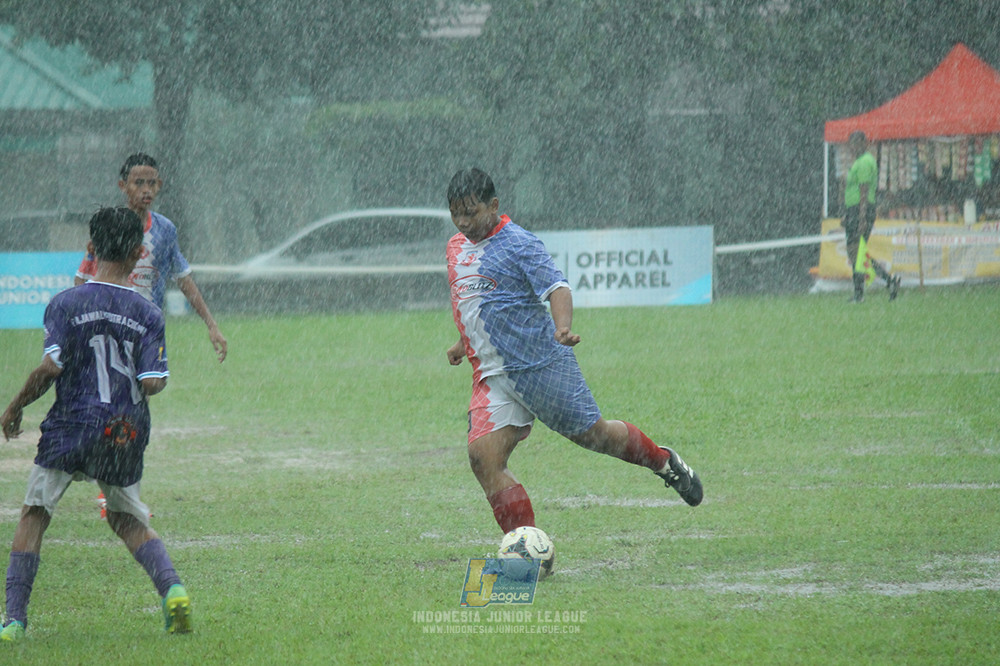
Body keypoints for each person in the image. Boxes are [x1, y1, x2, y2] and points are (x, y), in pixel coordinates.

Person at [445, 168, 703, 537]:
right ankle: (525, 549)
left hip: (540, 366)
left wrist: (562, 326)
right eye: (457, 214)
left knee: (596, 437)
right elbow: (472, 298)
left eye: (471, 212)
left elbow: (557, 288)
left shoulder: (519, 243)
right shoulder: (455, 247)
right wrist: (462, 339)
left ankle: (664, 462)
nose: (464, 222)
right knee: (483, 458)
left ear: (495, 205)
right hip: (491, 376)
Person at [1, 207, 192, 643]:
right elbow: (154, 383)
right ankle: (173, 589)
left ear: (90, 250)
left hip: (72, 424)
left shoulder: (66, 304)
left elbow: (51, 369)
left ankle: (14, 620)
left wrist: (14, 406)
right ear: (138, 252)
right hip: (123, 428)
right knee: (127, 519)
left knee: (35, 513)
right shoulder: (147, 313)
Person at [75, 153, 227, 362]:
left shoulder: (165, 230)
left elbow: (183, 279)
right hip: (109, 327)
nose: (146, 189)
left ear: (159, 185)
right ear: (123, 186)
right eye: (138, 183)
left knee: (150, 383)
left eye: (151, 183)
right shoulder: (109, 225)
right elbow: (82, 278)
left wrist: (211, 324)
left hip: (148, 326)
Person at [843, 131, 901, 303]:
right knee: (857, 252)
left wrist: (861, 217)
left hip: (861, 210)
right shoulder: (859, 162)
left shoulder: (865, 162)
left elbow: (863, 191)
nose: (854, 147)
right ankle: (886, 283)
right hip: (854, 211)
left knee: (856, 251)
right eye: (852, 144)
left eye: (857, 143)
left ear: (865, 143)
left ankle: (864, 291)